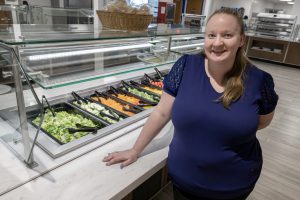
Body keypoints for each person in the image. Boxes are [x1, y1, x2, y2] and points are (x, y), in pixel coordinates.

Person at [103, 7, 278, 200]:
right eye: (211, 35)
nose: (217, 42)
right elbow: (161, 113)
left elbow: (262, 121)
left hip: (233, 187)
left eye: (227, 35)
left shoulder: (260, 81)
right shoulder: (186, 66)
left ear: (241, 40)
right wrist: (135, 150)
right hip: (184, 182)